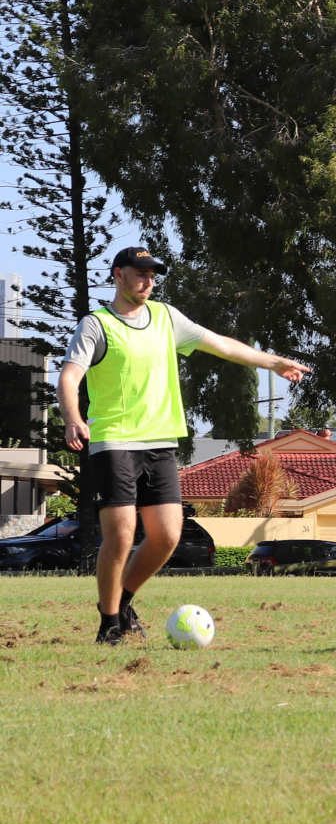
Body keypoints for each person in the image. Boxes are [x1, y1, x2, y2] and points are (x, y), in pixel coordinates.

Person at [58, 246, 311, 644]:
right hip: (113, 441)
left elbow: (221, 345)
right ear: (118, 275)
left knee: (167, 536)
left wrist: (273, 362)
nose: (148, 281)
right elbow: (70, 376)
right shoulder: (97, 324)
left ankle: (122, 602)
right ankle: (109, 625)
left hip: (160, 442)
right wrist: (73, 418)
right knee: (122, 534)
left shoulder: (166, 318)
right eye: (140, 273)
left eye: (153, 274)